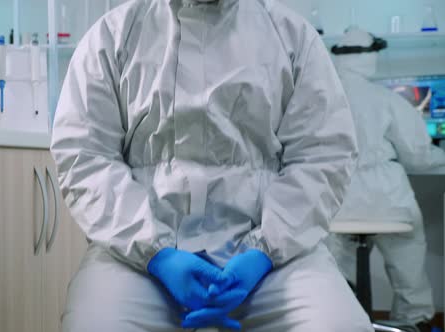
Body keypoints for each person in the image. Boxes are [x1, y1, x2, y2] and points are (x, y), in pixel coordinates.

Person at [51, 0, 372, 331]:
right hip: (138, 262)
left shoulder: (292, 37)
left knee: (338, 324)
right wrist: (156, 254)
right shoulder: (112, 37)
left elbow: (321, 154)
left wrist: (265, 251)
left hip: (274, 261)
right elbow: (86, 156)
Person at [329, 27, 445, 332]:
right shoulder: (387, 100)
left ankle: (343, 316)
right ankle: (415, 319)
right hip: (389, 200)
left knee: (332, 260)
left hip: (336, 202)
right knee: (408, 253)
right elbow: (418, 155)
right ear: (371, 58)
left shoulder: (319, 98)